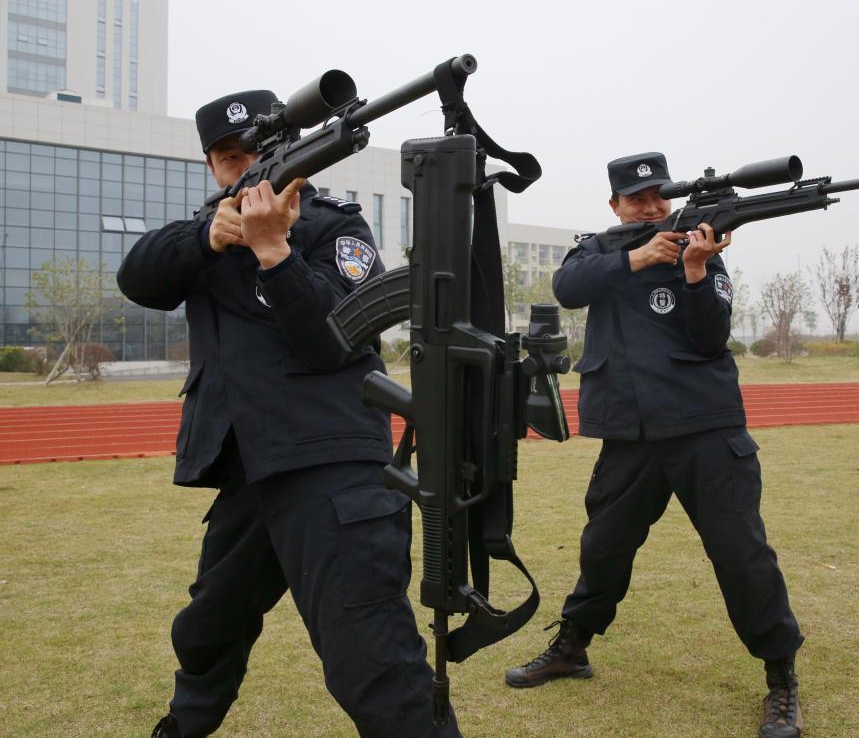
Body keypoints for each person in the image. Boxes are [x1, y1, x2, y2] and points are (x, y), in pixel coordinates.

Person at [118, 90, 460, 738]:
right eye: (226, 156)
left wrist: (275, 251)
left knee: (374, 664)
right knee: (207, 631)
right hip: (249, 470)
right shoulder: (206, 233)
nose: (240, 164)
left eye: (253, 153)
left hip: (332, 469)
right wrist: (208, 235)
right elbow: (138, 277)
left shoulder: (333, 227)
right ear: (214, 167)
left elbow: (334, 340)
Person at [503, 152, 805, 738]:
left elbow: (711, 334)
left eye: (658, 197)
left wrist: (694, 271)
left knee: (742, 556)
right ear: (615, 205)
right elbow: (568, 288)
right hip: (630, 436)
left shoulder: (700, 247)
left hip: (705, 431)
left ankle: (781, 678)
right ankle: (572, 647)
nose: (650, 206)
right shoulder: (597, 251)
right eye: (637, 199)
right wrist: (637, 257)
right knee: (603, 549)